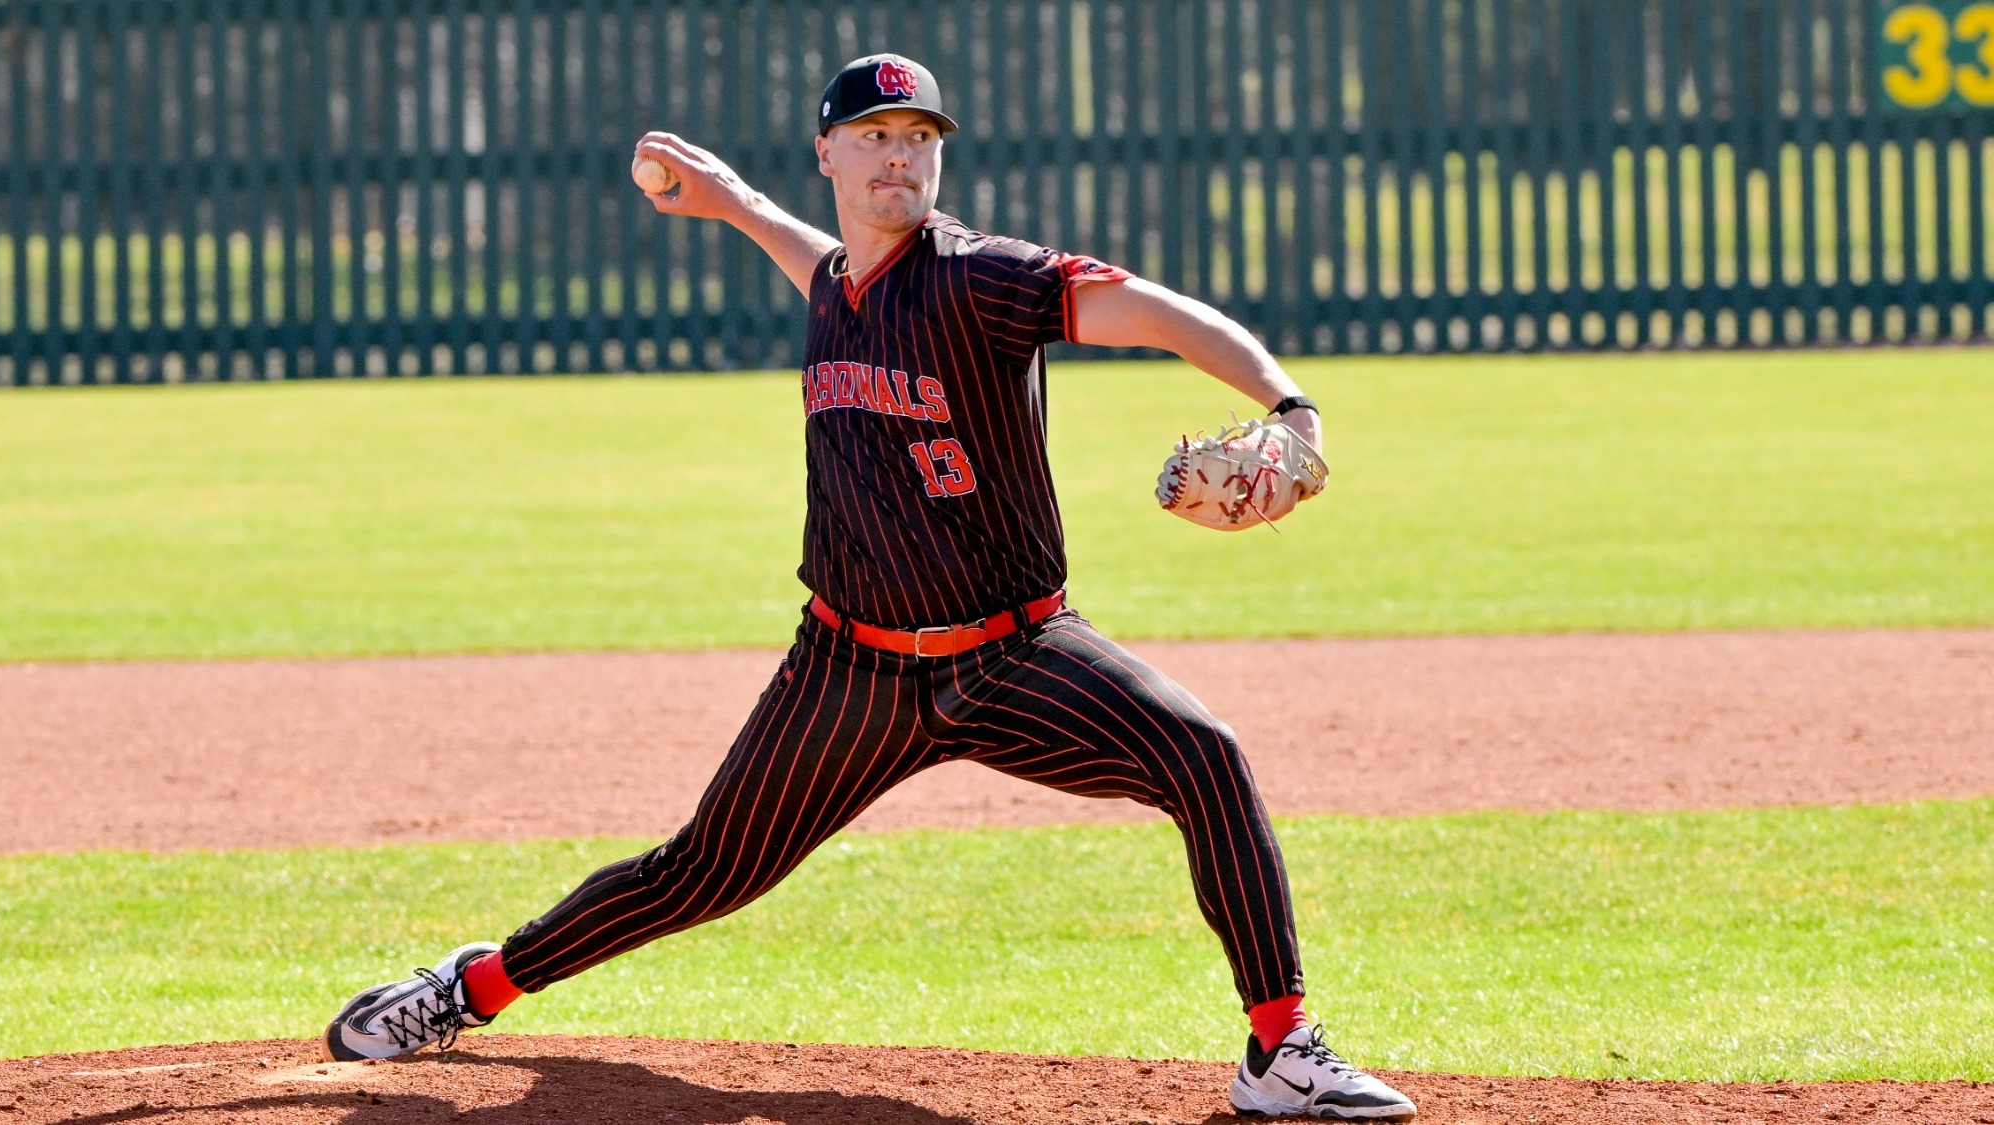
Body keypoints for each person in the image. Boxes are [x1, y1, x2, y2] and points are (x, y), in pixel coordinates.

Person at [322, 53, 1415, 1122]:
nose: (900, 158)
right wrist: (734, 202)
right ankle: (469, 990)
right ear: (829, 156)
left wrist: (1289, 408)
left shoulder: (982, 276)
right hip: (845, 671)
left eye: (919, 139)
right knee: (698, 873)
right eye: (875, 138)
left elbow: (1159, 313)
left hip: (1014, 653)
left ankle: (1278, 1050)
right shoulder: (838, 285)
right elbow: (811, 255)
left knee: (1202, 756)